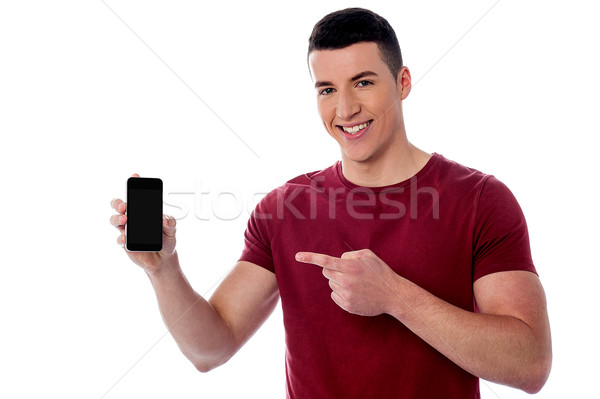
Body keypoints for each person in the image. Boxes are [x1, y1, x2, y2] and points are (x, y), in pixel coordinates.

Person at [110, 7, 551, 398]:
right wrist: (162, 269)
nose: (345, 108)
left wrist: (395, 296)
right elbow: (211, 348)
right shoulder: (283, 210)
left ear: (403, 82)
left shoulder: (481, 200)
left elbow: (530, 365)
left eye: (363, 82)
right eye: (326, 89)